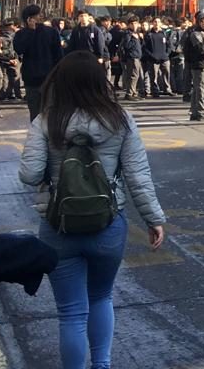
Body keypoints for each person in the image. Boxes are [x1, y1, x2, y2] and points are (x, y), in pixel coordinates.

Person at [18, 50, 166, 369]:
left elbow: (29, 175)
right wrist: (154, 218)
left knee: (71, 311)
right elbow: (138, 176)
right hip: (108, 224)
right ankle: (102, 364)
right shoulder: (119, 118)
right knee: (101, 297)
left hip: (59, 226)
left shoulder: (46, 121)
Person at [12, 4, 63, 121]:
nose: (40, 17)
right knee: (37, 113)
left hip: (49, 78)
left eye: (39, 15)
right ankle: (40, 136)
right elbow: (19, 49)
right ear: (29, 18)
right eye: (37, 15)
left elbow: (58, 55)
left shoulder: (51, 32)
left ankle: (48, 136)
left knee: (48, 111)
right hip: (32, 79)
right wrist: (30, 31)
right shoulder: (21, 34)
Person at [183, 14, 204, 122]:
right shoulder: (196, 34)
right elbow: (200, 49)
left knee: (199, 88)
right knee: (201, 89)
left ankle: (194, 111)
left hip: (201, 64)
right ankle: (201, 112)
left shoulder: (203, 33)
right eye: (201, 21)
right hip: (199, 64)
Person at [141, 18, 170, 98]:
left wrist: (166, 54)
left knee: (166, 73)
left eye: (158, 22)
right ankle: (155, 91)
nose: (157, 23)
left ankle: (167, 89)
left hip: (164, 58)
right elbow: (145, 47)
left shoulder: (164, 33)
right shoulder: (149, 34)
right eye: (155, 22)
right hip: (153, 59)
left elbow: (168, 45)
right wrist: (152, 55)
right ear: (152, 23)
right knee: (154, 76)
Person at [117, 17, 143, 101]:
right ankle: (129, 93)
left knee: (136, 75)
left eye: (136, 23)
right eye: (132, 24)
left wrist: (140, 38)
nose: (134, 25)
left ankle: (134, 92)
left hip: (137, 56)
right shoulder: (128, 33)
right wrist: (134, 38)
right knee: (133, 75)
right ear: (129, 25)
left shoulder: (136, 33)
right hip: (132, 57)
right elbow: (127, 45)